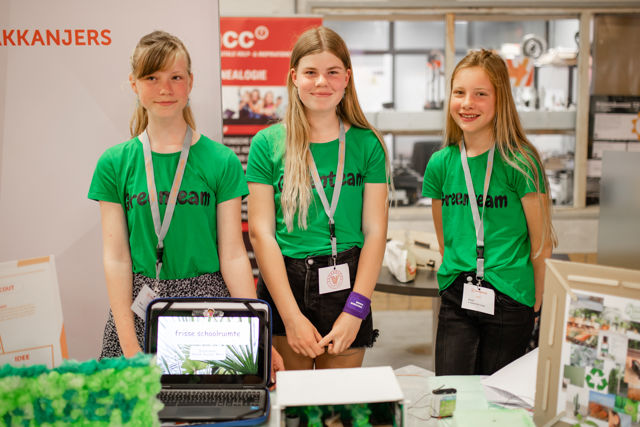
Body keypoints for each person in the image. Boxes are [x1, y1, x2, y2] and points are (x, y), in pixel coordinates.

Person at [88, 30, 283, 376]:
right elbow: (116, 258)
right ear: (134, 84)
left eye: (175, 77)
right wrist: (130, 347)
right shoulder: (114, 163)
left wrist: (259, 335)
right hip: (139, 306)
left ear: (190, 82)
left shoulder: (220, 160)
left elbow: (233, 255)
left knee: (207, 399)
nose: (165, 89)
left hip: (208, 307)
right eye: (152, 78)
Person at [246, 26, 390, 370]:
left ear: (347, 79)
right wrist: (291, 317)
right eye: (310, 72)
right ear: (294, 77)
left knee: (339, 401)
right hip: (286, 284)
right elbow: (261, 234)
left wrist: (356, 311)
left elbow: (375, 232)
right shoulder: (267, 144)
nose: (321, 82)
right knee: (293, 399)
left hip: (349, 285)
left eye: (332, 72)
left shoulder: (367, 144)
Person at [422, 49, 557, 376]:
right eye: (459, 92)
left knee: (497, 397)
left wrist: (537, 302)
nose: (467, 103)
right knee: (451, 392)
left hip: (511, 296)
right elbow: (446, 241)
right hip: (458, 293)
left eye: (480, 94)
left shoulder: (520, 161)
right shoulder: (441, 164)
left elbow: (541, 243)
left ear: (500, 100)